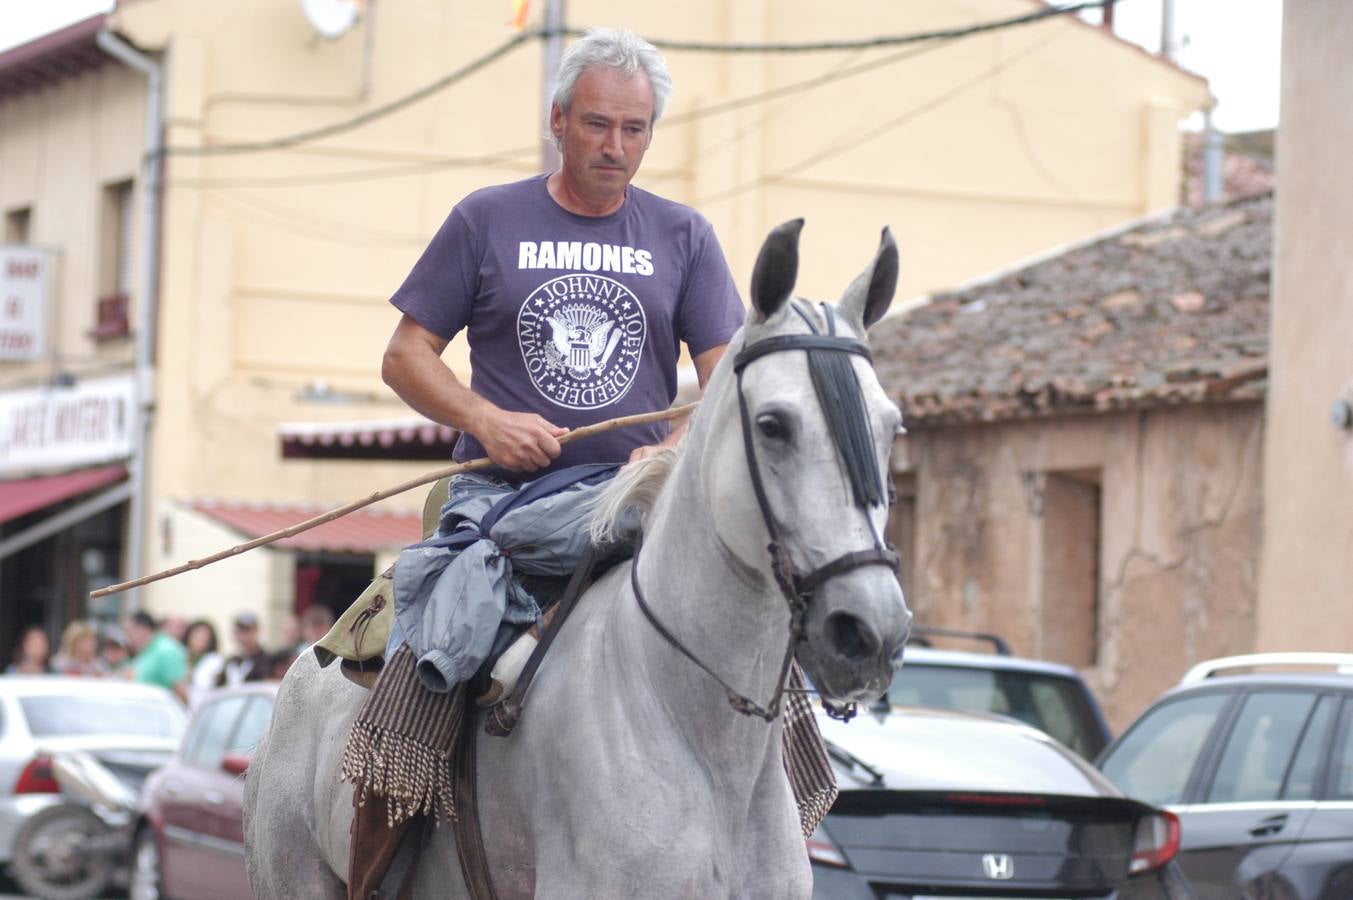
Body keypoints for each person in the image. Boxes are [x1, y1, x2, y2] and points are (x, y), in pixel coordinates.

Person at [348, 28, 744, 898]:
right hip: (501, 503)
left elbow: (724, 384)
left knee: (757, 651)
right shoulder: (487, 219)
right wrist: (485, 420)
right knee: (437, 642)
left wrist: (669, 451)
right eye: (597, 124)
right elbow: (405, 355)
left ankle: (772, 838)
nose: (615, 147)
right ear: (557, 120)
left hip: (639, 506)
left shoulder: (684, 235)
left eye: (634, 129)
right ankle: (377, 859)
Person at [124, 611, 188, 692]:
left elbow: (180, 688)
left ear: (142, 629)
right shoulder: (146, 650)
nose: (127, 637)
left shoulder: (165, 650)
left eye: (129, 631)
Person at [218, 612, 272, 686]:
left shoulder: (267, 661)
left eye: (247, 631)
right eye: (239, 631)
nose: (243, 636)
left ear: (256, 631)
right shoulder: (230, 662)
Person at [179, 619, 225, 707]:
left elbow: (205, 684)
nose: (200, 638)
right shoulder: (180, 654)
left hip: (204, 707)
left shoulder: (215, 660)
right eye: (197, 634)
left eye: (205, 636)